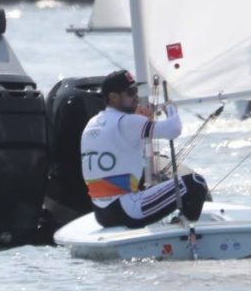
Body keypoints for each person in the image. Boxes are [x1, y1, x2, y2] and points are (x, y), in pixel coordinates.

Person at [80, 69, 208, 229]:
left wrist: (140, 118)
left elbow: (123, 143)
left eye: (136, 91)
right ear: (113, 97)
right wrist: (170, 109)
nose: (136, 97)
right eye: (130, 92)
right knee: (196, 183)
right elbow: (173, 129)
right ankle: (184, 233)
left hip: (102, 213)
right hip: (128, 210)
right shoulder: (128, 122)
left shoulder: (93, 122)